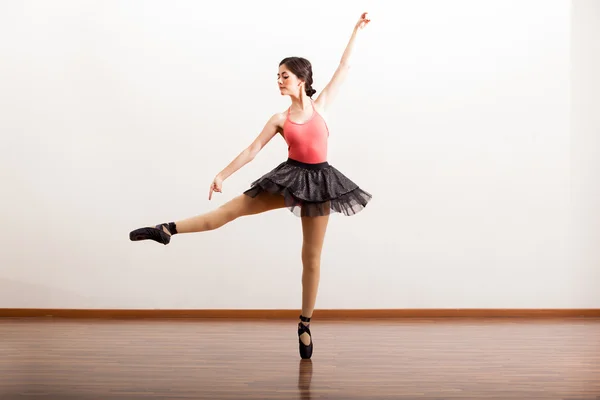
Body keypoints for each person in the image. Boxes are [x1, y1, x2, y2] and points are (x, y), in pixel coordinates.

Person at [130, 12, 372, 359]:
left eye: (284, 76)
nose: (278, 81)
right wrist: (222, 175)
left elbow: (344, 68)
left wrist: (355, 31)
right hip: (290, 177)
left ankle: (305, 323)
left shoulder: (322, 107)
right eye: (277, 76)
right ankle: (167, 229)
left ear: (301, 79)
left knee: (312, 259)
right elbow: (252, 150)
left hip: (320, 182)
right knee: (229, 212)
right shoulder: (279, 119)